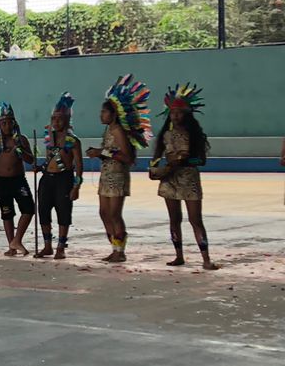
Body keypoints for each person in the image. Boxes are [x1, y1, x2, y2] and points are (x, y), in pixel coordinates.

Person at [152, 83, 218, 270]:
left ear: (187, 114)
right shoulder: (165, 135)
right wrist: (155, 169)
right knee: (174, 219)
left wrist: (184, 161)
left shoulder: (194, 135)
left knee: (195, 220)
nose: (175, 116)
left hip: (189, 179)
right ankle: (178, 255)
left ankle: (206, 259)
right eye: (173, 113)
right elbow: (156, 158)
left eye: (179, 113)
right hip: (169, 180)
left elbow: (201, 161)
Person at [87, 74, 149, 264]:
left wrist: (102, 152)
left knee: (114, 214)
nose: (101, 115)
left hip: (117, 176)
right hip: (107, 175)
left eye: (104, 112)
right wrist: (100, 153)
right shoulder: (108, 130)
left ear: (114, 114)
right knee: (104, 212)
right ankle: (114, 247)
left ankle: (120, 251)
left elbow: (127, 157)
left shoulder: (117, 131)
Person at [0, 102, 36, 257]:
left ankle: (17, 239)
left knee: (29, 209)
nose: (7, 126)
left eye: (9, 122)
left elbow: (31, 160)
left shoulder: (21, 140)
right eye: (4, 123)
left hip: (18, 181)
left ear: (14, 123)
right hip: (1, 182)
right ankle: (11, 246)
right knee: (7, 213)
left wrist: (20, 150)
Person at [36, 93, 82, 261]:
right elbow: (49, 159)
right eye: (53, 118)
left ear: (67, 120)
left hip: (64, 179)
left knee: (63, 213)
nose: (56, 122)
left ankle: (61, 247)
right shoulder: (49, 137)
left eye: (60, 119)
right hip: (47, 178)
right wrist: (40, 167)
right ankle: (47, 245)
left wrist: (76, 187)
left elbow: (79, 166)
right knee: (43, 211)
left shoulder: (73, 141)